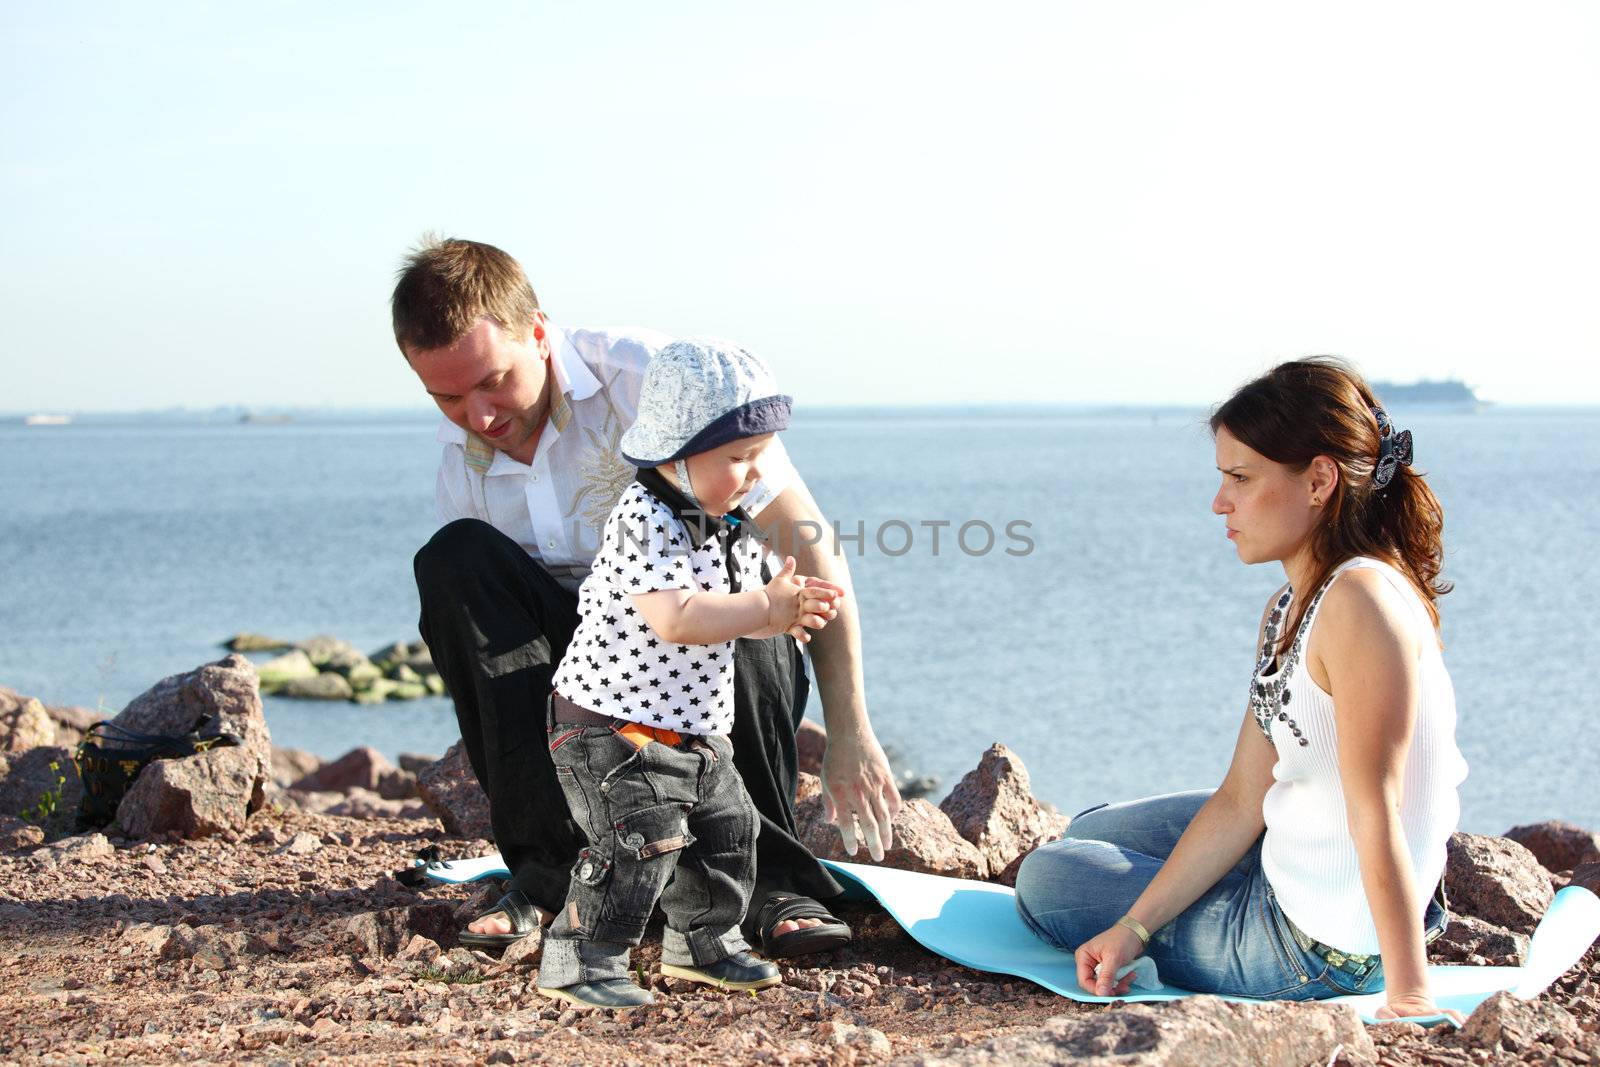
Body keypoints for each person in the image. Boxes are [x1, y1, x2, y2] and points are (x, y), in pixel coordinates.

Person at [394, 237, 901, 957]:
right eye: (447, 396)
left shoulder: (653, 378)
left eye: (493, 381)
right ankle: (550, 879)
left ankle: (767, 880)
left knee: (727, 565)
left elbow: (807, 544)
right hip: (593, 681)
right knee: (453, 561)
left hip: (723, 635)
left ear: (538, 330)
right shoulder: (463, 471)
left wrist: (849, 725)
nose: (479, 416)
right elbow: (494, 651)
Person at [1013, 357, 1470, 1023]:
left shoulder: (1360, 603)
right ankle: (1188, 896)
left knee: (1046, 879)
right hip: (1309, 859)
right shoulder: (1291, 605)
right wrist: (1134, 928)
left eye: (1240, 478)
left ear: (1319, 480)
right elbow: (1241, 796)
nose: (1219, 501)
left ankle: (1357, 951)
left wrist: (1408, 995)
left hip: (1321, 945)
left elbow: (1379, 806)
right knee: (1092, 829)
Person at [536, 339, 844, 1009]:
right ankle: (579, 956)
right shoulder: (644, 519)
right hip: (611, 728)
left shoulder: (724, 518)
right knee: (633, 846)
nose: (753, 473)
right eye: (737, 458)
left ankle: (702, 941)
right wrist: (761, 606)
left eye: (758, 457)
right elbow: (676, 618)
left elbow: (732, 610)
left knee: (731, 830)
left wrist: (778, 615)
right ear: (676, 451)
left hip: (691, 729)